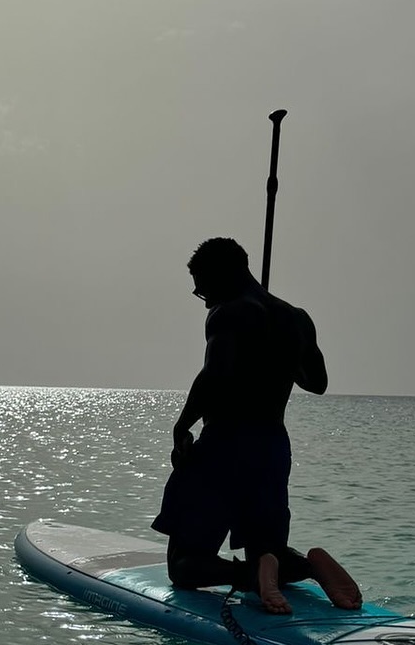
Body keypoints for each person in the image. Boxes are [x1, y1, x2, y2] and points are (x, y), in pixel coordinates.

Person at [152, 236, 362, 616]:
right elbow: (317, 382)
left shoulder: (228, 312)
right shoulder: (296, 317)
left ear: (226, 272)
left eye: (202, 281)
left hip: (226, 445)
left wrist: (182, 425)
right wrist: (278, 352)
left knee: (183, 567)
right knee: (270, 549)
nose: (199, 291)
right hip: (272, 448)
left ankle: (252, 576)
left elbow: (214, 375)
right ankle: (310, 567)